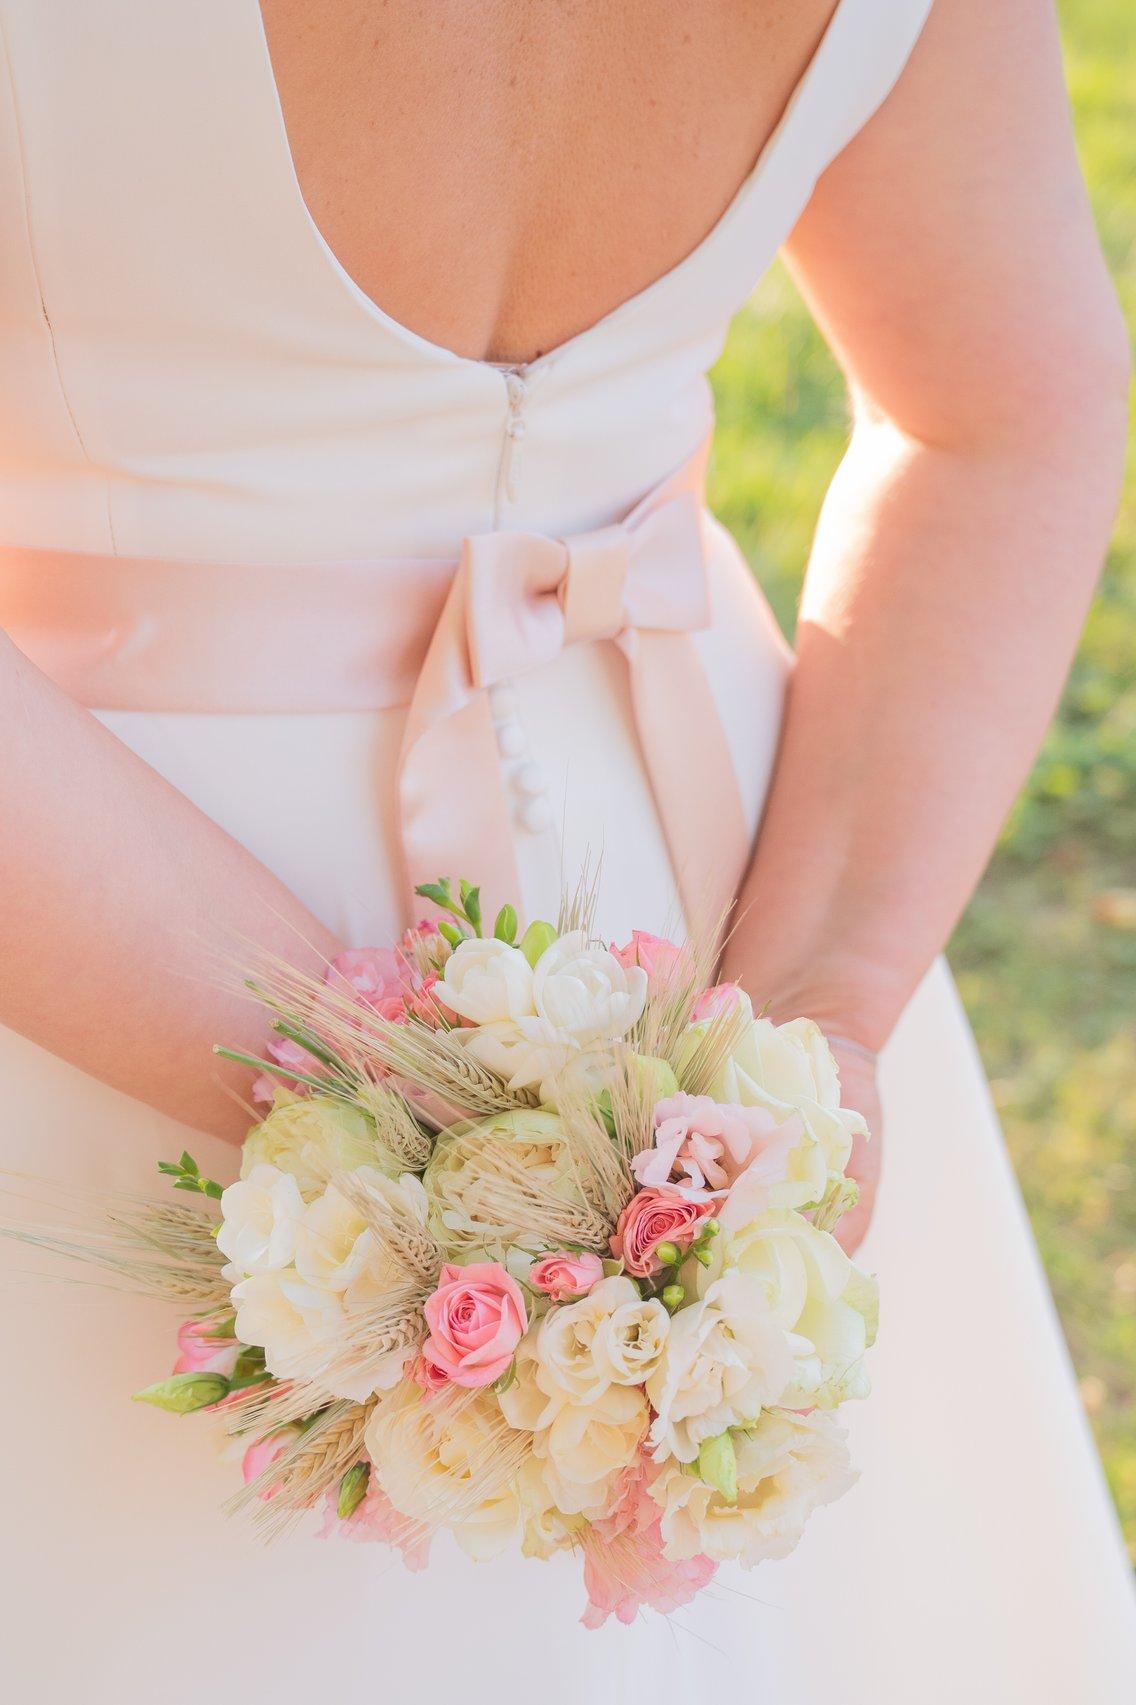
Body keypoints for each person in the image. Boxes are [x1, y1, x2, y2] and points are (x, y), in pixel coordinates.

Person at [1, 2, 1133, 1700]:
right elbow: (996, 408)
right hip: (675, 898)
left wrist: (426, 1123)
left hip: (107, 896)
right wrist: (811, 1006)